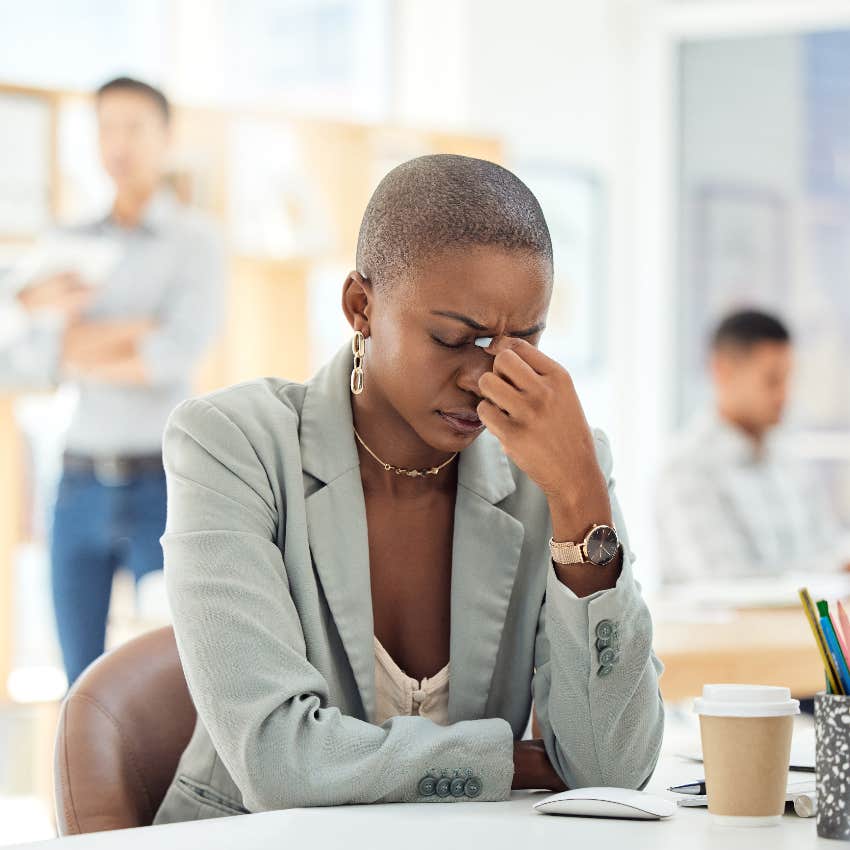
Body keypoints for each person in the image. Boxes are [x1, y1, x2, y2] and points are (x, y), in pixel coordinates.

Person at [153, 154, 663, 822]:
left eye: (527, 339)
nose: (490, 376)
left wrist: (580, 505)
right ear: (360, 307)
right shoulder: (230, 445)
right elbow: (278, 765)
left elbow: (610, 769)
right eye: (457, 338)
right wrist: (506, 761)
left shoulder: (558, 465)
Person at [0, 77, 225, 686]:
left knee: (174, 676)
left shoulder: (196, 242)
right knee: (80, 681)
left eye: (134, 127)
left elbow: (171, 353)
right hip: (75, 484)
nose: (118, 143)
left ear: (166, 137)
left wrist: (80, 340)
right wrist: (127, 332)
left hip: (164, 484)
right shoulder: (67, 240)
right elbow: (30, 358)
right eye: (105, 127)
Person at [656, 309, 847, 584]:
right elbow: (724, 581)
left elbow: (830, 544)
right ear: (723, 372)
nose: (785, 394)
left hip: (802, 624)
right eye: (772, 380)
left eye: (788, 378)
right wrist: (831, 570)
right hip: (735, 627)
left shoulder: (789, 460)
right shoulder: (685, 468)